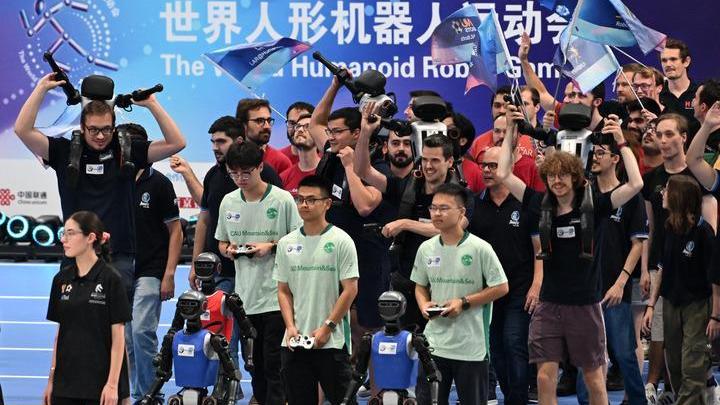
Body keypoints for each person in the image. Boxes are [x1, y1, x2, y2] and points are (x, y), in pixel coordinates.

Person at [497, 103, 644, 405]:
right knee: (544, 377)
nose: (557, 181)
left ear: (575, 177)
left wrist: (621, 142)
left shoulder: (595, 206)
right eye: (552, 176)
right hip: (549, 304)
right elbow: (503, 173)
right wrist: (511, 130)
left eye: (564, 175)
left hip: (585, 305)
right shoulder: (539, 203)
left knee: (594, 379)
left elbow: (636, 183)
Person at [14, 73, 186, 296]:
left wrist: (152, 105)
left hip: (118, 255)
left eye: (106, 129)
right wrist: (40, 89)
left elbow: (177, 142)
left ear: (114, 128)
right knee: (72, 317)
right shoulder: (64, 152)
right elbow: (22, 130)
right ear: (82, 127)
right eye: (93, 129)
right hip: (76, 252)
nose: (100, 136)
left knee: (116, 318)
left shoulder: (127, 151)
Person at [215, 141, 302, 405]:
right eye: (234, 173)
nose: (240, 179)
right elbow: (221, 242)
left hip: (277, 296)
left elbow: (300, 241)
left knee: (275, 364)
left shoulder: (282, 200)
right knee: (254, 365)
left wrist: (271, 246)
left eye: (246, 173)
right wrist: (229, 250)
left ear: (260, 167)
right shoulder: (229, 201)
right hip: (245, 298)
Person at [642, 112, 718, 403]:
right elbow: (651, 232)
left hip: (697, 289)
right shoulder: (654, 182)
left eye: (669, 134)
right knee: (671, 354)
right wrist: (648, 275)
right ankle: (688, 392)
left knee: (693, 357)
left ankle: (703, 390)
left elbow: (712, 248)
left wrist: (716, 312)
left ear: (684, 137)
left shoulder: (698, 178)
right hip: (667, 282)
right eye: (659, 134)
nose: (662, 140)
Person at [412, 183, 509, 404]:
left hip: (471, 347)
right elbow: (419, 285)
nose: (437, 213)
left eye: (444, 208)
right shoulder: (426, 248)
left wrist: (463, 302)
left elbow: (501, 287)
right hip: (434, 344)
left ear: (462, 212)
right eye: (433, 208)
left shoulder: (480, 248)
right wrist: (423, 304)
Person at [575, 138, 648, 405]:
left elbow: (638, 243)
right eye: (592, 153)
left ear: (616, 159)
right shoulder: (584, 194)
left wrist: (621, 282)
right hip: (586, 288)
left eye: (601, 153)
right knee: (587, 354)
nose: (594, 157)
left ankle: (637, 400)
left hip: (616, 287)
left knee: (624, 352)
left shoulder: (629, 196)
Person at [274, 175, 359, 404]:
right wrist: (290, 327)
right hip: (295, 341)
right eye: (300, 199)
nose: (304, 205)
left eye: (311, 200)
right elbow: (283, 290)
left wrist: (327, 327)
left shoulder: (341, 241)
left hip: (332, 341)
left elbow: (350, 290)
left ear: (327, 203)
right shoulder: (286, 243)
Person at [469, 146, 541, 405]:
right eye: (484, 166)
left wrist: (537, 284)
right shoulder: (475, 204)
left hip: (520, 287)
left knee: (514, 343)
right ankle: (511, 396)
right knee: (495, 350)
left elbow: (540, 249)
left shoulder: (526, 203)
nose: (487, 171)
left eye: (493, 166)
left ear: (509, 168)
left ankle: (516, 400)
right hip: (489, 290)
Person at [120, 123, 183, 403]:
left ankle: (150, 394)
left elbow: (176, 231)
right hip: (121, 268)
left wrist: (169, 273)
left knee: (141, 331)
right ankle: (138, 393)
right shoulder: (115, 180)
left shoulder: (159, 184)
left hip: (151, 268)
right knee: (126, 338)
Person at [44, 211, 131, 405]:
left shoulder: (111, 279)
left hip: (100, 385)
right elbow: (60, 335)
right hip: (65, 384)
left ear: (90, 238)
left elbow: (118, 338)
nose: (64, 239)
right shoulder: (61, 279)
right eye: (63, 234)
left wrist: (112, 385)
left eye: (71, 233)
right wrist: (51, 380)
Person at [236, 98, 292, 174]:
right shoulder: (230, 158)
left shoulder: (281, 162)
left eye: (269, 121)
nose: (267, 126)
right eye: (259, 121)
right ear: (243, 124)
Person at [280, 113, 320, 196]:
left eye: (307, 127)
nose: (300, 130)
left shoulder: (330, 172)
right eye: (298, 126)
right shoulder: (284, 177)